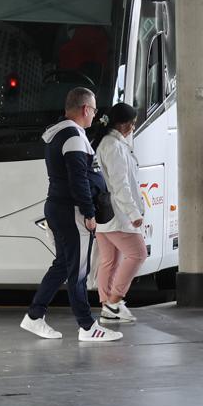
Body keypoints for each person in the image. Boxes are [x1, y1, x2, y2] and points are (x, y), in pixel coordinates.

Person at [22, 87, 123, 343]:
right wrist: (89, 212)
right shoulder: (74, 137)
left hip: (58, 206)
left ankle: (34, 317)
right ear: (85, 109)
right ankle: (88, 326)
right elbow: (78, 179)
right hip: (71, 210)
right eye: (94, 110)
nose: (95, 116)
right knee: (78, 270)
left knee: (63, 265)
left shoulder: (59, 133)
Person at [93, 102, 144, 324]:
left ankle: (107, 306)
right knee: (137, 254)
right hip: (117, 213)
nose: (133, 127)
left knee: (109, 260)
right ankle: (114, 302)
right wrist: (133, 212)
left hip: (104, 213)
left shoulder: (107, 143)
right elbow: (120, 184)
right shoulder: (113, 146)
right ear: (123, 124)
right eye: (132, 124)